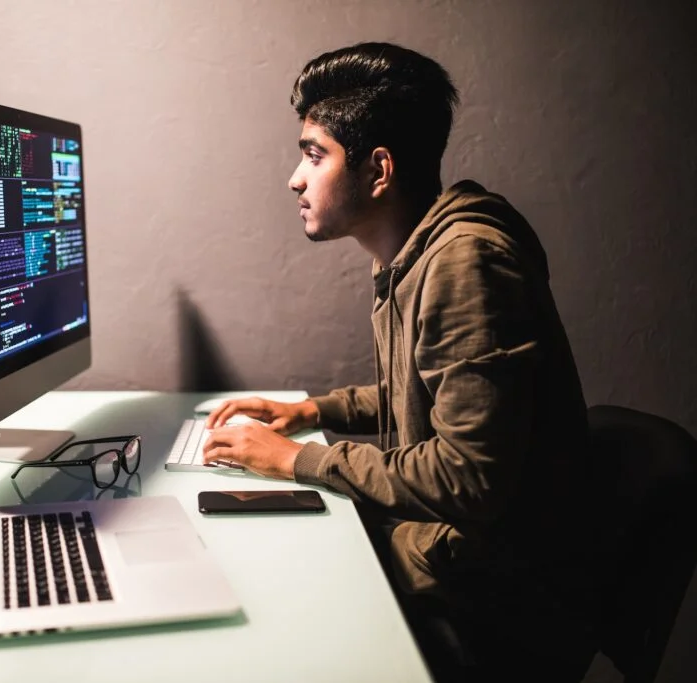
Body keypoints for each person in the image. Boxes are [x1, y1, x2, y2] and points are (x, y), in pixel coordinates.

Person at [202, 42, 598, 681]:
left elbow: (468, 472)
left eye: (314, 154)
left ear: (377, 170)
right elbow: (428, 396)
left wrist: (298, 458)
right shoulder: (421, 256)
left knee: (262, 607)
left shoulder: (465, 264)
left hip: (484, 612)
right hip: (456, 566)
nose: (295, 178)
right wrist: (309, 409)